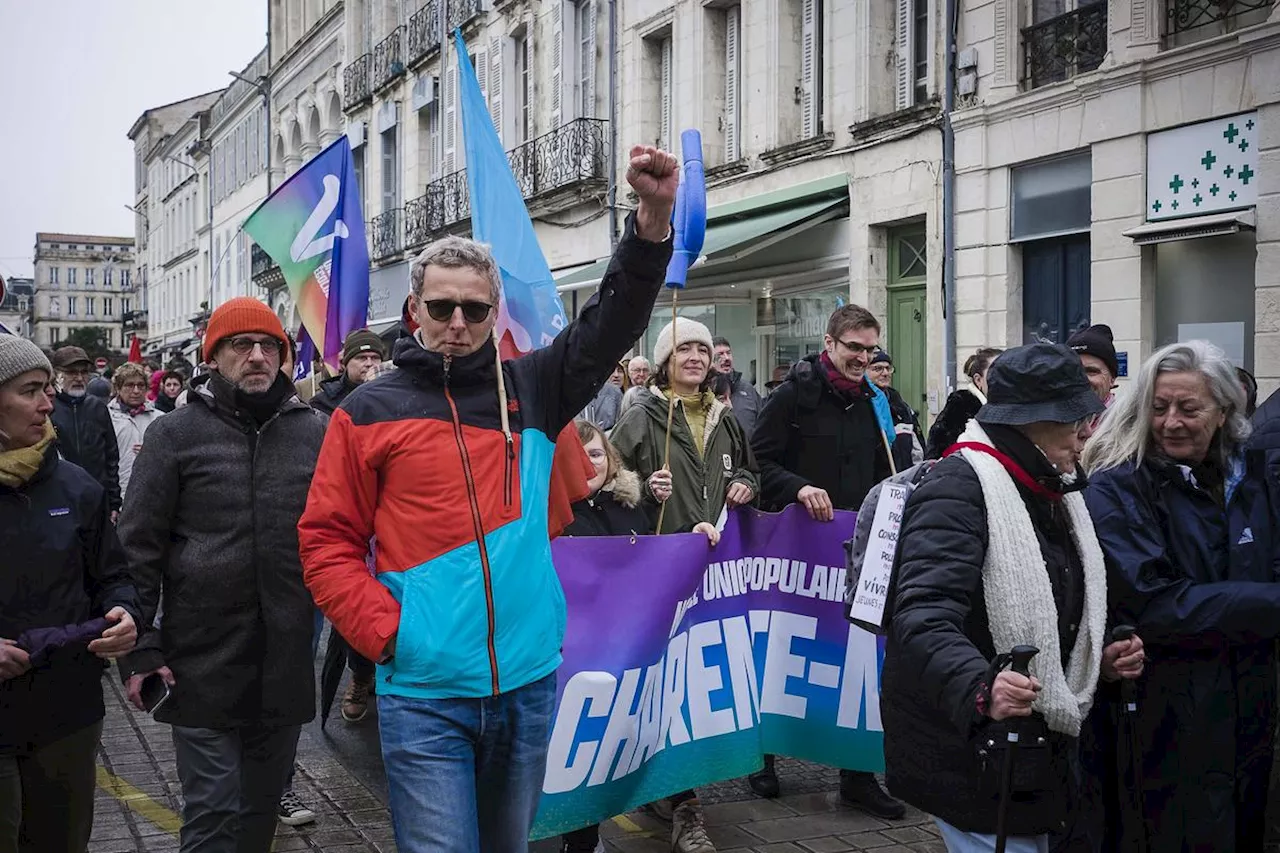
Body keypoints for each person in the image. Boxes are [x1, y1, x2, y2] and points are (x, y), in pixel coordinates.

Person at [297, 145, 679, 853]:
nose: (458, 322)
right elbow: (325, 541)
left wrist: (651, 220)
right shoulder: (367, 409)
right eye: (441, 307)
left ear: (493, 311)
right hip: (424, 693)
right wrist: (390, 633)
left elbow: (613, 322)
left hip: (528, 685)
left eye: (475, 309)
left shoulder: (531, 386)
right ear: (414, 309)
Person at [882, 343, 1143, 853]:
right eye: (1073, 419)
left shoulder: (1051, 486)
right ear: (1031, 422)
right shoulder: (959, 488)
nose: (1086, 430)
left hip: (1031, 751)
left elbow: (1060, 594)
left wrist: (1099, 653)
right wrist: (982, 687)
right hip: (972, 748)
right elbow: (922, 616)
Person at [117, 297, 328, 853]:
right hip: (201, 655)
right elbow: (138, 547)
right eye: (241, 345)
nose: (257, 357)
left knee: (259, 813)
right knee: (212, 811)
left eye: (269, 347)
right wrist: (140, 647)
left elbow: (339, 536)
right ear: (213, 357)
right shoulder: (176, 434)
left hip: (285, 653)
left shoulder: (317, 432)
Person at [1082, 340, 1280, 853]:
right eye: (1159, 407)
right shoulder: (1119, 486)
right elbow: (1155, 603)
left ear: (1224, 412)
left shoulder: (1252, 478)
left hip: (1252, 698)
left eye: (1189, 409)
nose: (1171, 422)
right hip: (1165, 709)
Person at [747, 304, 907, 816]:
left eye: (869, 349)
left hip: (855, 549)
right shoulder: (792, 395)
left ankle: (857, 774)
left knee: (856, 654)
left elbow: (894, 468)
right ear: (830, 344)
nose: (862, 357)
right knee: (781, 647)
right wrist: (798, 488)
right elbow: (757, 463)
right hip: (796, 549)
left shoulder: (878, 402)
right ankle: (762, 757)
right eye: (853, 347)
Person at [610, 316, 758, 853]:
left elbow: (750, 471)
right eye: (683, 349)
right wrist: (645, 489)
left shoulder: (726, 415)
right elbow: (609, 478)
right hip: (659, 574)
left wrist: (743, 482)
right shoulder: (642, 415)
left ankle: (674, 794)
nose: (694, 356)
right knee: (663, 685)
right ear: (666, 361)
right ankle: (683, 806)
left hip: (713, 575)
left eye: (701, 347)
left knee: (695, 687)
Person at [0, 336, 140, 853]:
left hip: (67, 712)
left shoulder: (78, 488)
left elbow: (113, 576)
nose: (47, 403)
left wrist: (127, 613)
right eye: (31, 390)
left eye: (48, 388)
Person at [558, 420, 720, 853]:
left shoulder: (632, 508)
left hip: (634, 647)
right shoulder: (550, 514)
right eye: (577, 454)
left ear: (611, 460)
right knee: (583, 753)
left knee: (661, 723)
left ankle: (683, 809)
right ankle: (582, 840)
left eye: (596, 453)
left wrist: (692, 541)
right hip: (578, 657)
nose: (588, 463)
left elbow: (656, 560)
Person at [306, 329, 391, 728]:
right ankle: (359, 674)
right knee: (352, 605)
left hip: (387, 515)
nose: (371, 366)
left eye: (377, 360)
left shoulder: (395, 396)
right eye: (363, 360)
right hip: (347, 509)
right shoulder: (323, 406)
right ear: (347, 363)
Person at [49, 346, 121, 521]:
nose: (79, 378)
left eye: (84, 372)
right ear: (56, 375)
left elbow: (110, 457)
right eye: (72, 372)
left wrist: (113, 501)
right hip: (58, 500)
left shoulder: (98, 408)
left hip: (96, 498)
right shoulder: (47, 409)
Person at [926, 346, 1003, 459]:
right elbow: (939, 452)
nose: (1004, 378)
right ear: (978, 380)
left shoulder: (1013, 407)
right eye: (996, 372)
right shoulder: (961, 405)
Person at [107, 362, 163, 502]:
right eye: (130, 385)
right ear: (118, 388)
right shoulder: (106, 417)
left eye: (140, 385)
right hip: (118, 496)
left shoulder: (160, 418)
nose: (136, 391)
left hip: (152, 496)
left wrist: (154, 451)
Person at [868, 349, 924, 463]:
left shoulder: (901, 406)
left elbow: (917, 448)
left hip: (902, 477)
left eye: (888, 368)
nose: (885, 373)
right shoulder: (861, 403)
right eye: (878, 368)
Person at [712, 336, 763, 438]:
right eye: (720, 354)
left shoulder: (747, 390)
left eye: (728, 353)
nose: (726, 358)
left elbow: (763, 425)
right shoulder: (703, 391)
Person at [1066, 324, 1118, 406]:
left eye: (1091, 371)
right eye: (1073, 371)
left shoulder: (1129, 418)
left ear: (1112, 379)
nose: (1082, 380)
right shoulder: (1046, 417)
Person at [581, 362, 624, 430]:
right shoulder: (575, 392)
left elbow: (620, 422)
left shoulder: (615, 393)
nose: (616, 375)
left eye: (620, 371)